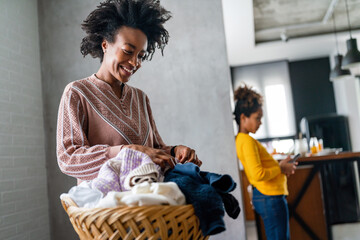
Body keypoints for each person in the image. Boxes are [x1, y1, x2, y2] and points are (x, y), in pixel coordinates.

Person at [56, 0, 202, 183]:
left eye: (140, 56)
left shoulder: (141, 98)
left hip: (150, 202)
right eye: (127, 51)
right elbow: (68, 159)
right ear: (105, 45)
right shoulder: (77, 93)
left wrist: (174, 151)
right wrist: (125, 152)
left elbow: (153, 150)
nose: (135, 63)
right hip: (107, 207)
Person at [233, 84, 297, 240]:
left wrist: (280, 167)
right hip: (270, 197)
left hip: (268, 196)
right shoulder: (246, 141)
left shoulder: (243, 140)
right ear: (243, 118)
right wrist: (280, 168)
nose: (260, 122)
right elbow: (258, 173)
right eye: (257, 118)